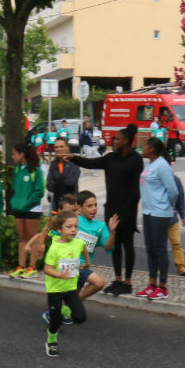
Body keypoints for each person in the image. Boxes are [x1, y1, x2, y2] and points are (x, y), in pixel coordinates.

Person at [67, 123, 144, 295]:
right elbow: (91, 163)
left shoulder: (135, 159)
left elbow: (136, 190)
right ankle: (117, 279)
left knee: (128, 245)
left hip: (128, 210)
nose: (114, 141)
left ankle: (128, 282)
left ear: (126, 140)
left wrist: (128, 211)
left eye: (118, 139)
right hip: (112, 209)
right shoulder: (110, 158)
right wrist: (73, 157)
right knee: (115, 245)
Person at [135, 137, 179, 300]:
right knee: (151, 249)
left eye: (145, 146)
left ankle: (163, 287)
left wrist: (166, 205)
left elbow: (173, 191)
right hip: (148, 212)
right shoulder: (151, 165)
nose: (142, 148)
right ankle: (152, 284)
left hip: (160, 213)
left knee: (160, 250)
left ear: (152, 148)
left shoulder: (162, 165)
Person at [43, 210, 90, 357]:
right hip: (55, 289)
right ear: (60, 229)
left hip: (70, 288)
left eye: (75, 227)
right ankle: (51, 341)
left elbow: (84, 248)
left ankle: (60, 310)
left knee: (80, 317)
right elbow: (47, 268)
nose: (73, 230)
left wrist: (86, 263)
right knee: (56, 321)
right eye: (69, 227)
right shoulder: (55, 248)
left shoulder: (78, 243)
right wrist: (60, 275)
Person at [73, 190, 118, 303]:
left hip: (84, 267)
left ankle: (70, 306)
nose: (94, 209)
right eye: (89, 206)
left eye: (95, 205)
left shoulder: (100, 226)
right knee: (99, 282)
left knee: (70, 299)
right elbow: (55, 234)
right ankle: (72, 305)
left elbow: (108, 247)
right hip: (70, 265)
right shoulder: (73, 221)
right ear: (79, 207)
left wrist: (113, 232)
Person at [8, 142, 45, 278]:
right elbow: (15, 189)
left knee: (32, 237)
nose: (12, 156)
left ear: (21, 154)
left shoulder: (35, 170)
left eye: (14, 154)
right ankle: (21, 266)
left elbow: (39, 191)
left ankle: (32, 267)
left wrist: (27, 203)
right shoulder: (17, 169)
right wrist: (15, 202)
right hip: (19, 208)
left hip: (32, 209)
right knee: (22, 238)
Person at [167, 162, 185, 277]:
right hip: (157, 219)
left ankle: (181, 267)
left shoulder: (175, 180)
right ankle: (157, 268)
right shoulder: (154, 179)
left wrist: (183, 216)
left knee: (176, 243)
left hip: (172, 218)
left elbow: (180, 197)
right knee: (159, 247)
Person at [46, 137, 80, 211]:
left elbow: (71, 182)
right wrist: (63, 180)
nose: (58, 149)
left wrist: (56, 182)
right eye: (56, 147)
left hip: (71, 205)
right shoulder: (53, 164)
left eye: (61, 146)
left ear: (67, 147)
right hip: (56, 204)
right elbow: (49, 185)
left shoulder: (74, 162)